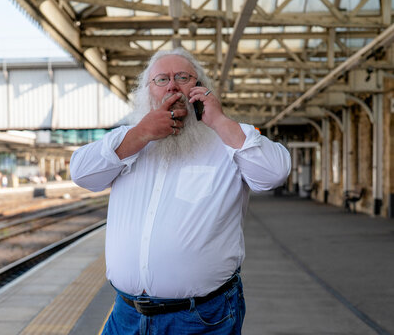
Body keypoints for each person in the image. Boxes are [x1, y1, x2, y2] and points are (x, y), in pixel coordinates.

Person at [70, 48, 291, 334]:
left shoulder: (226, 140)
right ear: (147, 91)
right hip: (126, 316)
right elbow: (81, 172)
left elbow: (274, 173)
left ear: (200, 88)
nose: (172, 85)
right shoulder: (126, 140)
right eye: (161, 79)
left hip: (201, 318)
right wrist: (141, 133)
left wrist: (220, 121)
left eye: (183, 77)